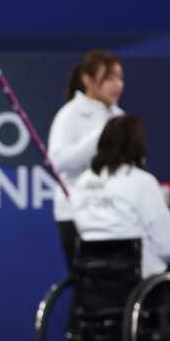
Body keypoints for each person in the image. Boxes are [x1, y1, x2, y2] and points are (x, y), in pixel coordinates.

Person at [47, 50, 124, 271]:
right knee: (87, 286)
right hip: (75, 212)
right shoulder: (70, 114)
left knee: (112, 286)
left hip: (114, 214)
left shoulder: (119, 117)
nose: (117, 85)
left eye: (120, 78)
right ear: (88, 80)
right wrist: (100, 138)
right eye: (108, 78)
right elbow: (57, 162)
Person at [72, 115, 170, 279]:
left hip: (94, 282)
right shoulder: (142, 182)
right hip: (142, 282)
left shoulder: (82, 181)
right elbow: (166, 242)